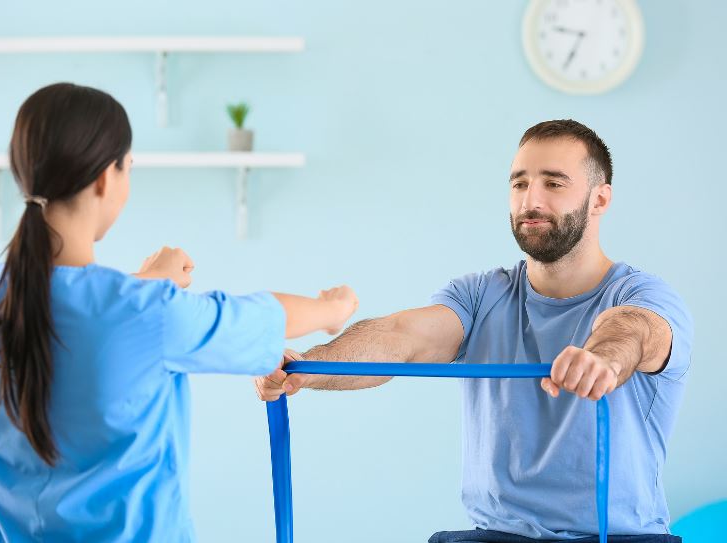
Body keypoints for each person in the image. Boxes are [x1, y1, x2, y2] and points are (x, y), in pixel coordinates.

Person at [0, 82, 358, 542]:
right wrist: (333, 308)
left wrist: (148, 286)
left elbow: (73, 319)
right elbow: (256, 318)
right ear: (106, 178)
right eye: (129, 167)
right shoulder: (146, 313)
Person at [256, 120, 692, 542]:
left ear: (599, 200)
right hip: (495, 536)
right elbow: (402, 338)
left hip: (620, 537)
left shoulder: (641, 295)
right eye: (519, 183)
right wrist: (305, 367)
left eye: (553, 184)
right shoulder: (481, 294)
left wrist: (603, 358)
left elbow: (634, 331)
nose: (530, 201)